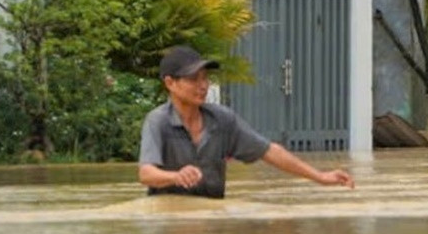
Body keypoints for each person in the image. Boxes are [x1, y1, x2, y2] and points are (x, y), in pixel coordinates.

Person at [138, 46, 355, 198]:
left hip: (212, 218)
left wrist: (320, 177)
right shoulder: (157, 122)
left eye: (205, 78)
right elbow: (146, 174)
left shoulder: (222, 120)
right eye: (194, 79)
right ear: (170, 83)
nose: (203, 85)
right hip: (169, 218)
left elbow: (269, 151)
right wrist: (176, 177)